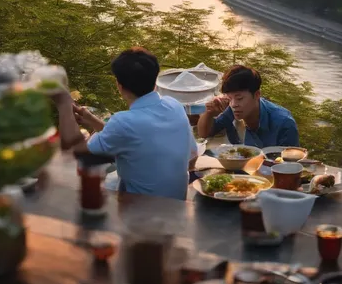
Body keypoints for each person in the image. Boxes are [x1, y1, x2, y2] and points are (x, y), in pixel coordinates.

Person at [53, 47, 198, 200]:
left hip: (142, 211)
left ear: (119, 86)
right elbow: (129, 136)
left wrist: (64, 106)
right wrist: (90, 119)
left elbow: (79, 154)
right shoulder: (174, 105)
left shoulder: (123, 122)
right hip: (176, 202)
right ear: (155, 79)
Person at [197, 64, 299, 147]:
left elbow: (290, 165)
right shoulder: (231, 110)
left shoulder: (284, 123)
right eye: (229, 98)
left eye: (239, 98)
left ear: (257, 94)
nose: (234, 104)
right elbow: (205, 134)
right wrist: (209, 113)